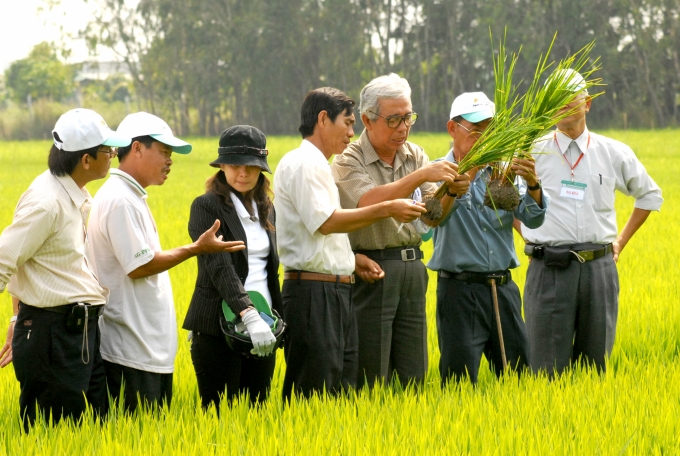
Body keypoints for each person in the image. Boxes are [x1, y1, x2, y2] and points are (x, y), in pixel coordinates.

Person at [275, 87, 429, 401]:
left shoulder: (318, 164)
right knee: (315, 392)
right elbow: (327, 221)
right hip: (313, 294)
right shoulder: (304, 164)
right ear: (322, 119)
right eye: (346, 123)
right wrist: (388, 208)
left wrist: (351, 257)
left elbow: (323, 231)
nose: (351, 132)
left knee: (341, 391)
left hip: (333, 289)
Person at [86, 112, 245, 413]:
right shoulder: (120, 199)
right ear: (136, 148)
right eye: (164, 152)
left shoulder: (131, 197)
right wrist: (197, 248)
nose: (170, 161)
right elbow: (139, 266)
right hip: (129, 351)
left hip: (144, 350)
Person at [331, 73, 469, 388]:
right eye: (394, 120)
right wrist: (420, 176)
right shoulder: (348, 159)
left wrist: (452, 191)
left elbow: (433, 217)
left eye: (408, 118)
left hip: (412, 267)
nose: (403, 128)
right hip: (373, 268)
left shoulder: (415, 155)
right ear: (367, 119)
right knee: (371, 370)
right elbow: (368, 200)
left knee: (413, 372)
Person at [521, 70, 663, 375]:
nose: (561, 107)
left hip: (599, 271)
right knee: (545, 370)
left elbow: (650, 196)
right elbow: (505, 204)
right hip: (549, 269)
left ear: (587, 104)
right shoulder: (532, 152)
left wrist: (620, 242)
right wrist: (529, 236)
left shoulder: (612, 152)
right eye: (554, 100)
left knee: (594, 368)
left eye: (568, 100)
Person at [0, 108, 131, 430]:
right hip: (52, 336)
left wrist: (18, 316)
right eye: (108, 150)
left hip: (77, 331)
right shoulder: (47, 202)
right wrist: (22, 317)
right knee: (55, 432)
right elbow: (5, 259)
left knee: (93, 428)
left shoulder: (71, 193)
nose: (113, 155)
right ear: (85, 159)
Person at [428, 92, 548, 384]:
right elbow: (430, 222)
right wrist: (465, 176)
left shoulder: (502, 175)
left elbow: (533, 218)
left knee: (517, 378)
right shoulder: (437, 173)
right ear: (452, 128)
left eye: (490, 129)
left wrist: (532, 183)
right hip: (459, 292)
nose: (483, 136)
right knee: (458, 382)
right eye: (475, 129)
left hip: (503, 290)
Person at [184, 125, 281, 409]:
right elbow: (219, 266)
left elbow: (269, 270)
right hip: (219, 327)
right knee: (220, 418)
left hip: (263, 325)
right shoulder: (206, 207)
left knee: (257, 414)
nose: (243, 173)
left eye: (251, 166)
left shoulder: (265, 207)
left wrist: (273, 319)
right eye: (236, 165)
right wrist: (246, 313)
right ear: (222, 166)